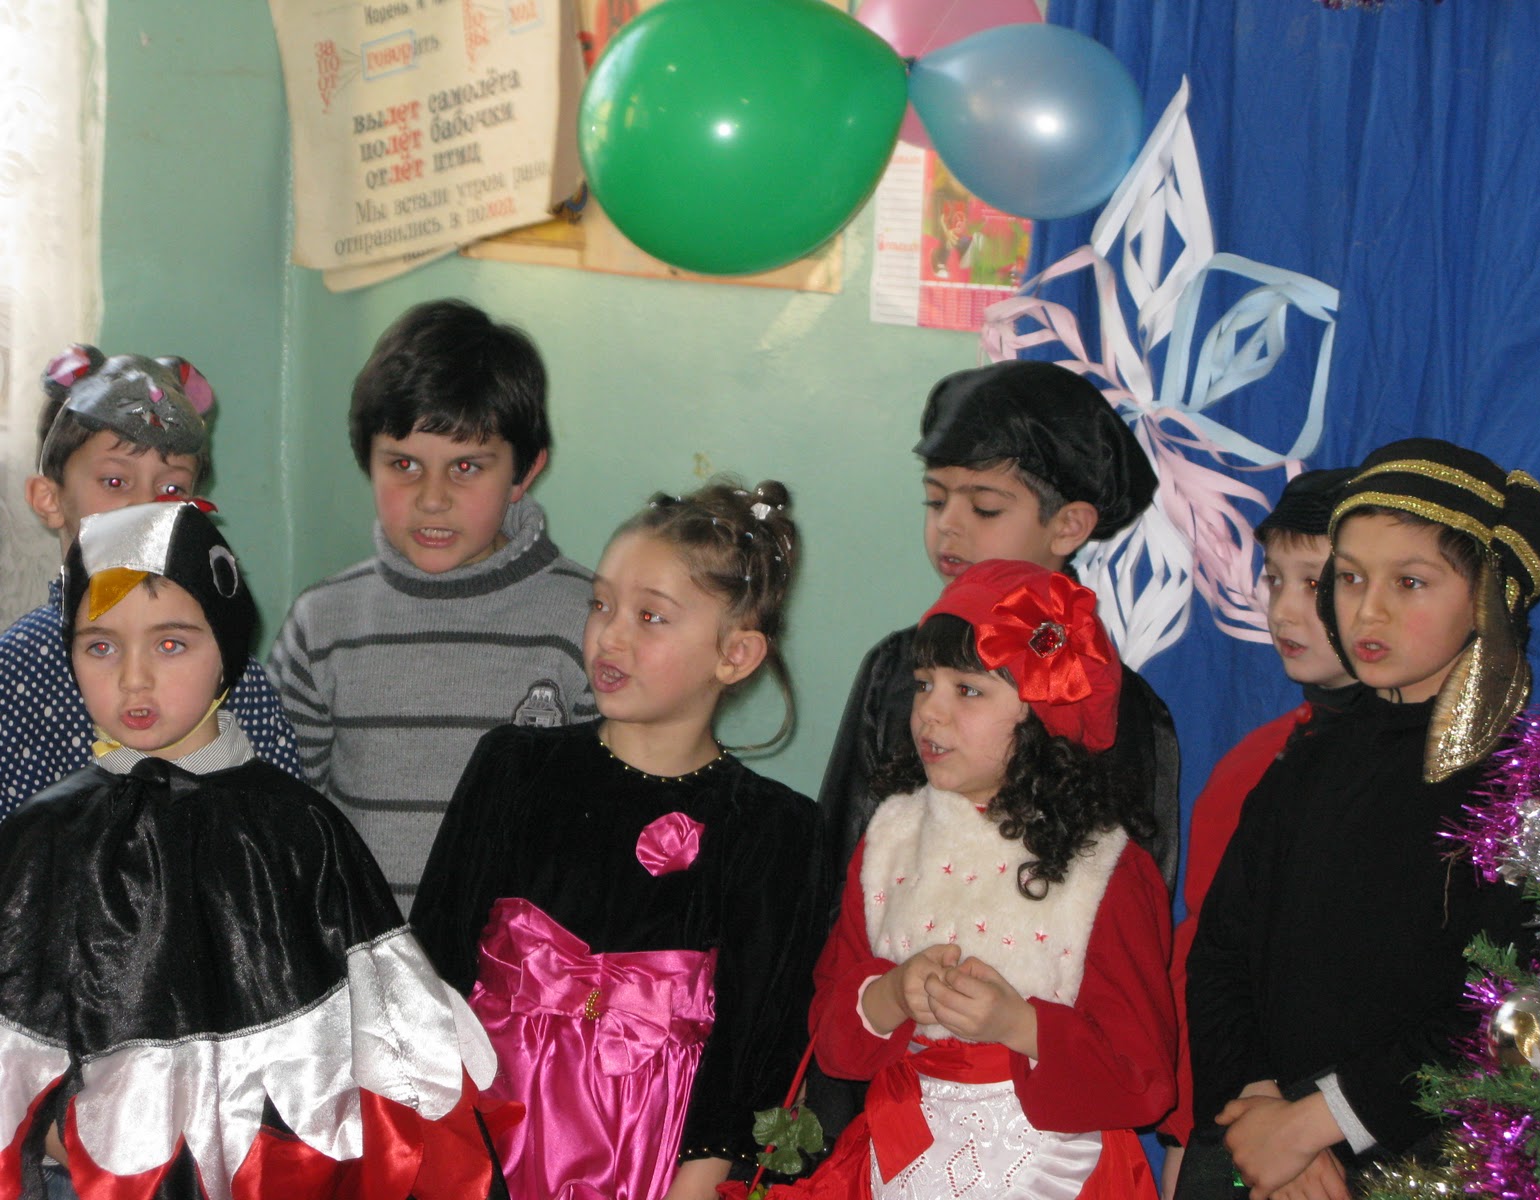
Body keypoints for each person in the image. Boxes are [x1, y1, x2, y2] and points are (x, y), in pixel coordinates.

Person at [0, 499, 509, 1200]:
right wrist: (58, 1134)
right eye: (101, 646)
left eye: (170, 644)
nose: (133, 678)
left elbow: (395, 1037)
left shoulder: (297, 830)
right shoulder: (41, 837)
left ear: (226, 650)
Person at [410, 479, 828, 1200]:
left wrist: (693, 1186)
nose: (611, 635)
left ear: (735, 655)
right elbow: (432, 962)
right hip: (478, 1139)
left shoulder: (773, 829)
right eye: (600, 604)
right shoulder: (514, 767)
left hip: (652, 1163)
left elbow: (754, 1047)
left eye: (651, 616)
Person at [1184, 438, 1540, 1199]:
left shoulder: (1517, 791)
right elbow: (1222, 954)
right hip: (1261, 1151)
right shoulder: (1304, 764)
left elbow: (1507, 1012)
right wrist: (1261, 1109)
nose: (1369, 609)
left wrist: (1320, 1122)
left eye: (1411, 582)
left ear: (1485, 598)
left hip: (1421, 1161)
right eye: (1351, 577)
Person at [769, 559, 1176, 1200]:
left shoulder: (1105, 869)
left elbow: (1142, 1077)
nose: (929, 712)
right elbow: (833, 1038)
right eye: (923, 684)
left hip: (1052, 1171)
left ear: (1041, 713)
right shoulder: (890, 839)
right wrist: (890, 995)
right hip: (897, 1163)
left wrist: (1021, 1026)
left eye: (968, 690)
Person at [268, 299, 594, 912]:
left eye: (466, 466)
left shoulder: (590, 620)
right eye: (404, 465)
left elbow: (605, 826)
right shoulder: (323, 624)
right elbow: (282, 814)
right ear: (368, 460)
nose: (432, 498)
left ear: (524, 473)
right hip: (358, 954)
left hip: (517, 963)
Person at [817, 359, 1180, 898]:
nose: (948, 524)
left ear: (1068, 526)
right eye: (935, 500)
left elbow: (1132, 892)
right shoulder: (896, 666)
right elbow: (841, 861)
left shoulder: (1116, 702)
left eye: (984, 508)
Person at [1159, 468, 1358, 1194]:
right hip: (1246, 1122)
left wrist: (1317, 1128)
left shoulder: (1462, 778)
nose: (1285, 610)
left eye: (1317, 583)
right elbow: (1210, 962)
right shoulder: (1252, 766)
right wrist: (1212, 1124)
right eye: (1275, 580)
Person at [0, 344, 300, 816]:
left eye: (171, 488)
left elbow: (283, 824)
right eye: (115, 482)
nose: (145, 507)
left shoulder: (232, 674)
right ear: (49, 499)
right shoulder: (17, 670)